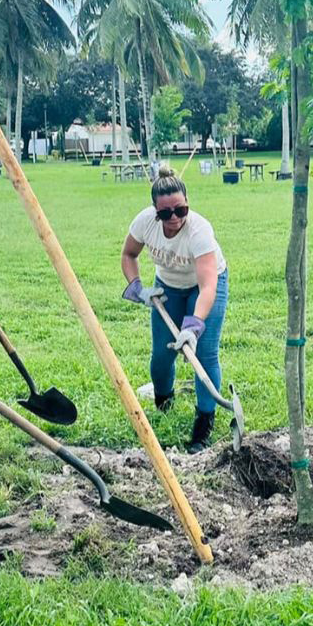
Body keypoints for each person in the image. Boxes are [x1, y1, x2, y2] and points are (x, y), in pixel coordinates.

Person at [120, 167, 228, 453]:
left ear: (188, 204)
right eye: (165, 213)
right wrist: (137, 288)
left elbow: (208, 287)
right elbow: (129, 254)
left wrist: (193, 326)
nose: (174, 218)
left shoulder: (199, 231)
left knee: (204, 354)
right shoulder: (145, 222)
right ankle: (164, 406)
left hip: (205, 286)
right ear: (155, 211)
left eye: (181, 210)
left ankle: (203, 425)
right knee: (161, 355)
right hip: (167, 286)